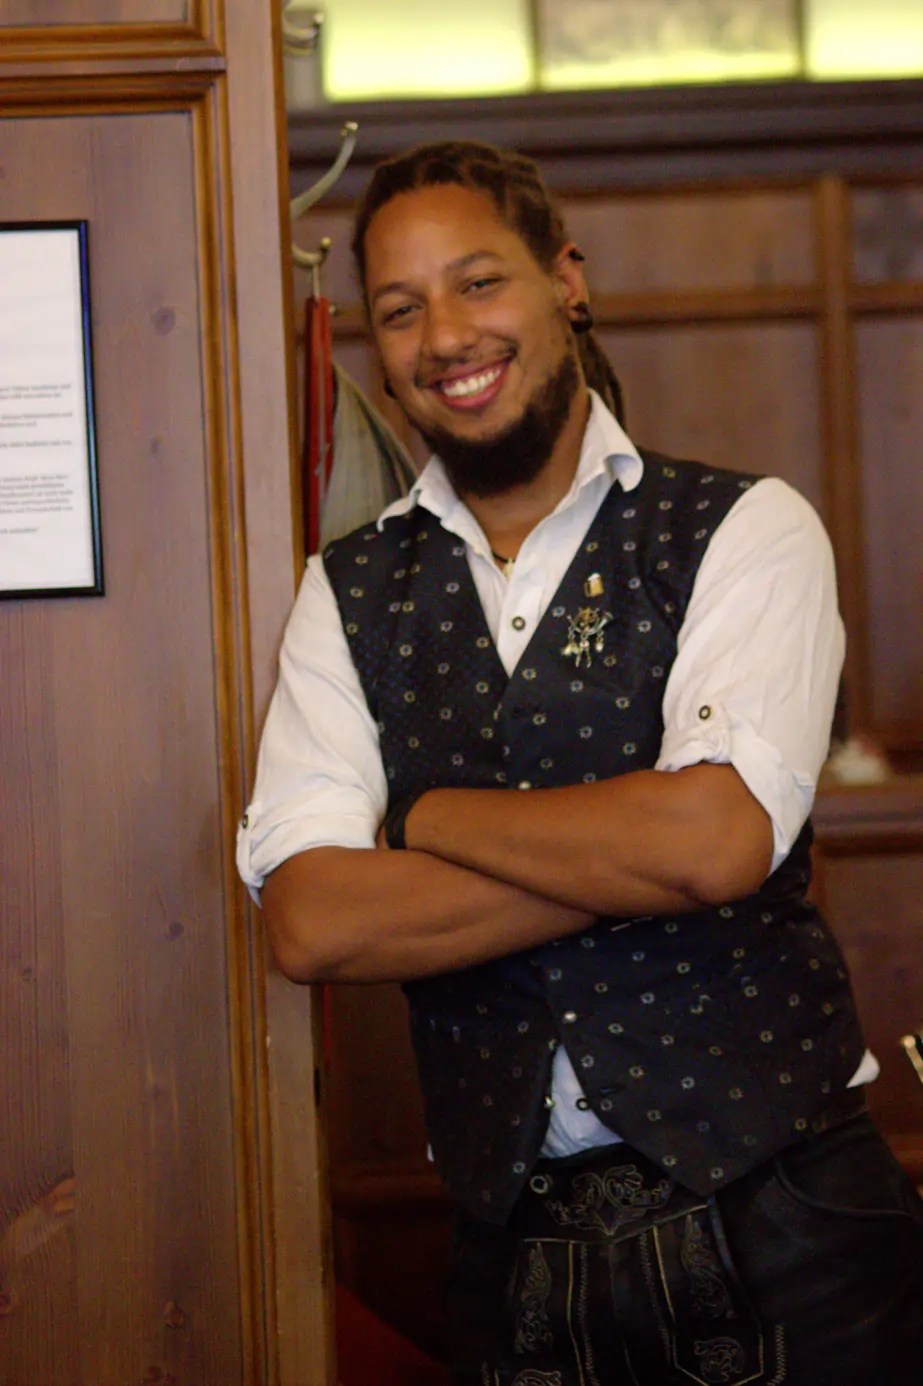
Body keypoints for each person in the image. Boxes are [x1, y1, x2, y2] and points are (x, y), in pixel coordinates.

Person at [237, 141, 923, 1384]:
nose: (443, 334)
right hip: (513, 1260)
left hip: (788, 1229)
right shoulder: (342, 595)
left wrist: (426, 817)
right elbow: (311, 921)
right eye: (399, 310)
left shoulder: (741, 527)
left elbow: (714, 841)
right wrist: (638, 856)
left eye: (477, 283)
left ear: (566, 283)